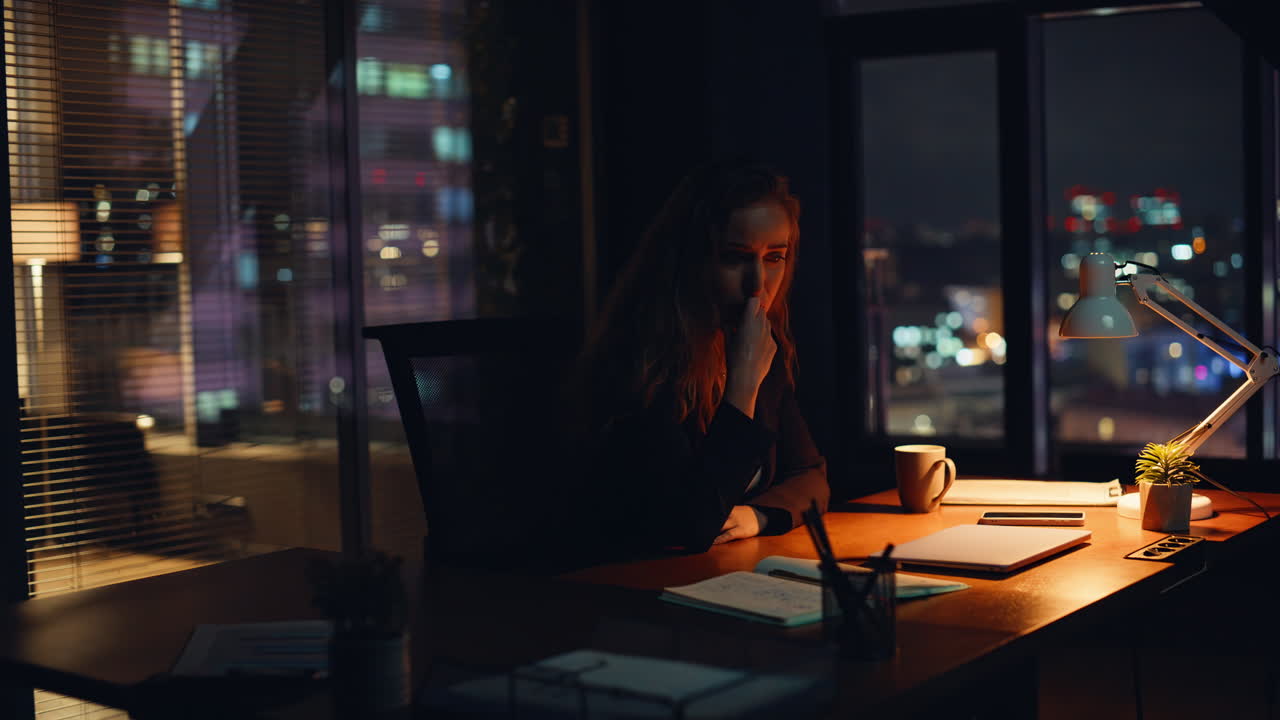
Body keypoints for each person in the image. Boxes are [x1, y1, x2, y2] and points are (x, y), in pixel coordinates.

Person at [566, 160, 829, 559]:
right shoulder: (642, 365)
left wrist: (756, 516)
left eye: (775, 257)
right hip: (625, 590)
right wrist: (742, 386)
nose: (757, 284)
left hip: (722, 576)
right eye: (734, 257)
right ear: (691, 261)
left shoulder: (755, 343)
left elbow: (812, 477)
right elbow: (689, 525)